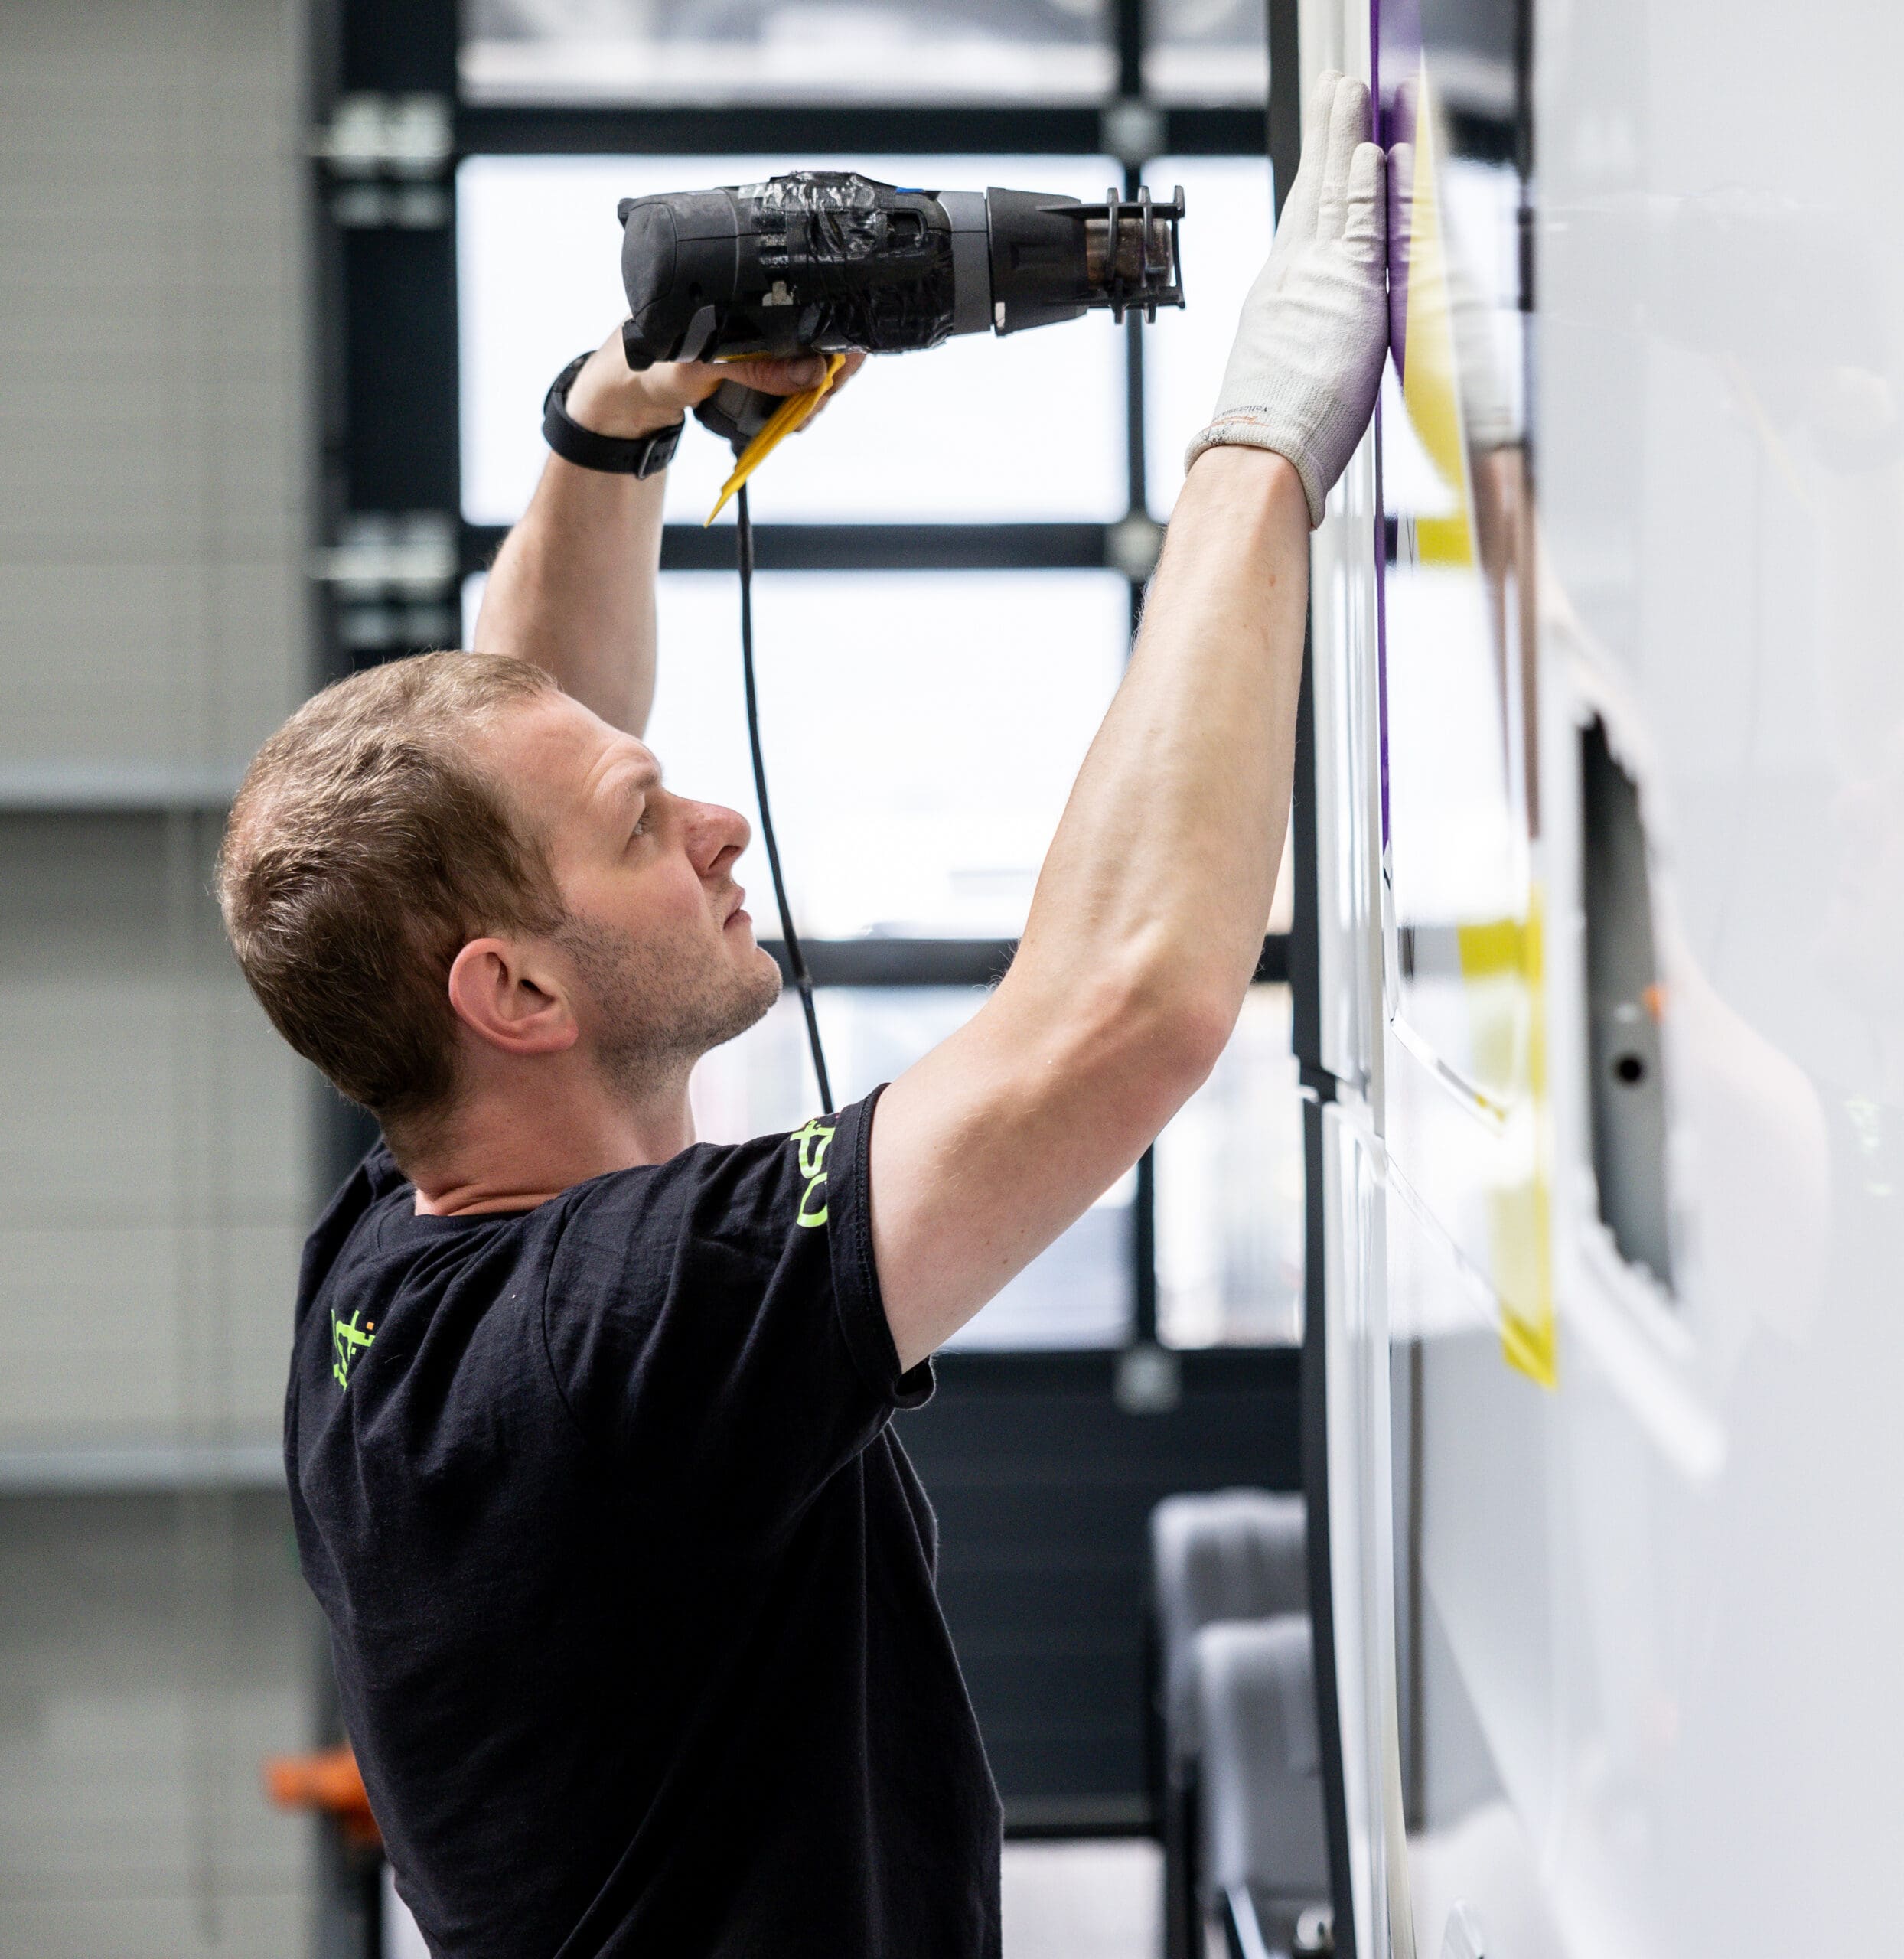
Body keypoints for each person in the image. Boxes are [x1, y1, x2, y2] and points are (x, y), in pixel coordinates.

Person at [216, 73, 1387, 1959]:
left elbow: (515, 723)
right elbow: (1119, 1006)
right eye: (642, 823)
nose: (716, 821)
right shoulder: (607, 1341)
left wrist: (617, 412)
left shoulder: (395, 1255)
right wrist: (1260, 442)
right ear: (513, 992)